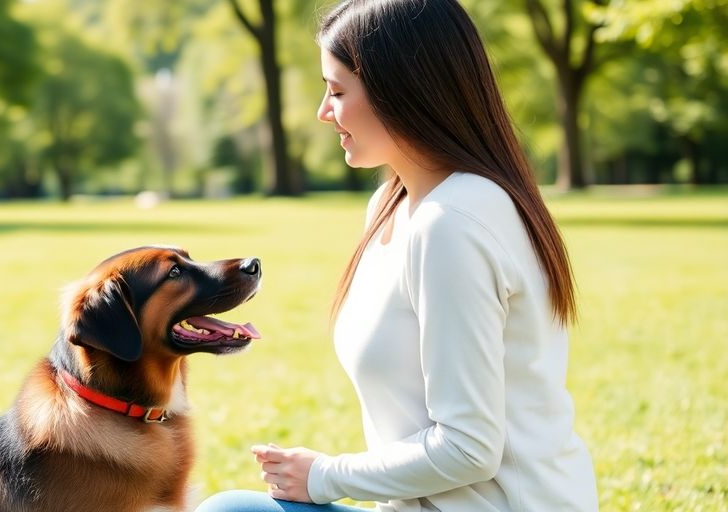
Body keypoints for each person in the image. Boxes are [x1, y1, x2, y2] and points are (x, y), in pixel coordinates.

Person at [194, 0, 599, 510]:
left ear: (400, 92)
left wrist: (323, 476)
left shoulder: (451, 224)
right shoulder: (393, 205)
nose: (323, 111)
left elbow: (470, 449)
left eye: (338, 91)